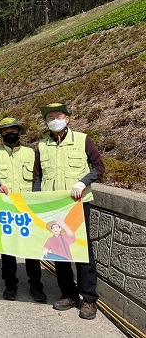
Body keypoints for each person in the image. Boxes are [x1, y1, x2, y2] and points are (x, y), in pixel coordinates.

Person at [33, 103, 105, 320]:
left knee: (83, 251)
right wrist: (36, 199)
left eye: (58, 116)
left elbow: (99, 167)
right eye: (50, 117)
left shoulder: (83, 140)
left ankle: (89, 299)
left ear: (68, 119)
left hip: (77, 205)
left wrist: (84, 182)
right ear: (46, 122)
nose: (55, 120)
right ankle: (69, 294)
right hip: (53, 206)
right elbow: (38, 175)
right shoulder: (42, 145)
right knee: (59, 251)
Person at [0, 117, 46, 302]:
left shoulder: (31, 153)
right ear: (0, 134)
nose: (10, 134)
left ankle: (36, 285)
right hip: (6, 208)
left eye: (13, 130)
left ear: (19, 132)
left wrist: (36, 196)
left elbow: (39, 177)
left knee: (32, 249)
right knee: (8, 248)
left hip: (28, 208)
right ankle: (10, 285)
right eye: (5, 131)